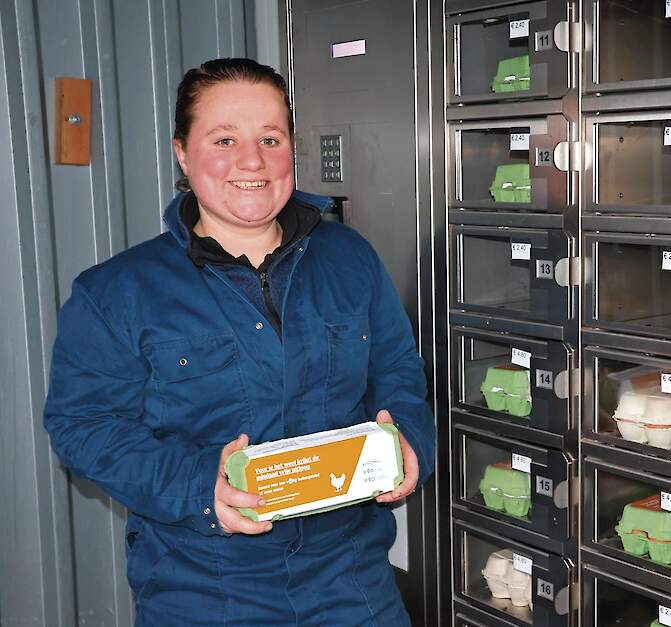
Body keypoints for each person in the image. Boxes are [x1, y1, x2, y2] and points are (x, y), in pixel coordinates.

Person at [43, 57, 435, 626]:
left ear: (291, 148)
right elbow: (82, 426)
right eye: (224, 139)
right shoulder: (116, 293)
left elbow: (397, 370)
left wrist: (410, 445)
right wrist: (200, 483)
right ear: (182, 152)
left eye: (270, 138)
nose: (251, 161)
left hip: (351, 583)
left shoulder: (350, 259)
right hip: (204, 589)